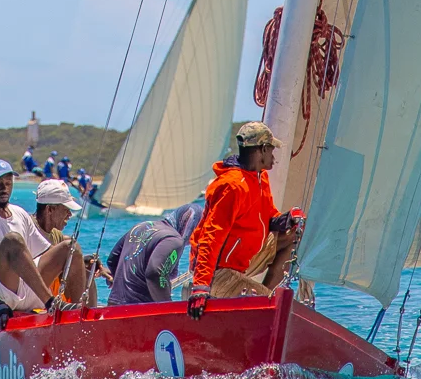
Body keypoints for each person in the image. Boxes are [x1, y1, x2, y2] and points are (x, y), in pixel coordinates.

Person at [187, 122, 305, 320]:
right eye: (272, 150)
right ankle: (264, 301)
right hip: (220, 271)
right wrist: (200, 287)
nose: (274, 157)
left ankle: (265, 295)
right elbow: (210, 237)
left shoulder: (260, 177)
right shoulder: (232, 186)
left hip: (245, 260)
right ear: (263, 150)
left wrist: (289, 218)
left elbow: (270, 218)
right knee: (271, 309)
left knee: (296, 234)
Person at [0, 160, 88, 316]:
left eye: (8, 183)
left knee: (70, 248)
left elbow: (46, 252)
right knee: (13, 241)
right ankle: (52, 303)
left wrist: (81, 262)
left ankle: (80, 317)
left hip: (26, 291)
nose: (4, 188)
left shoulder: (19, 213)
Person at [107, 203, 204, 306]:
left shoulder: (141, 226)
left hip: (114, 304)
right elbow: (155, 273)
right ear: (190, 226)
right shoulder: (174, 240)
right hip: (140, 310)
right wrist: (167, 307)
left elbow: (112, 259)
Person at [33, 179, 106, 302]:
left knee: (87, 274)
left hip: (50, 289)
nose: (69, 214)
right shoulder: (29, 228)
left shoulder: (56, 235)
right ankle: (77, 313)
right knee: (70, 245)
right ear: (49, 209)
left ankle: (87, 316)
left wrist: (83, 264)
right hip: (32, 291)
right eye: (66, 209)